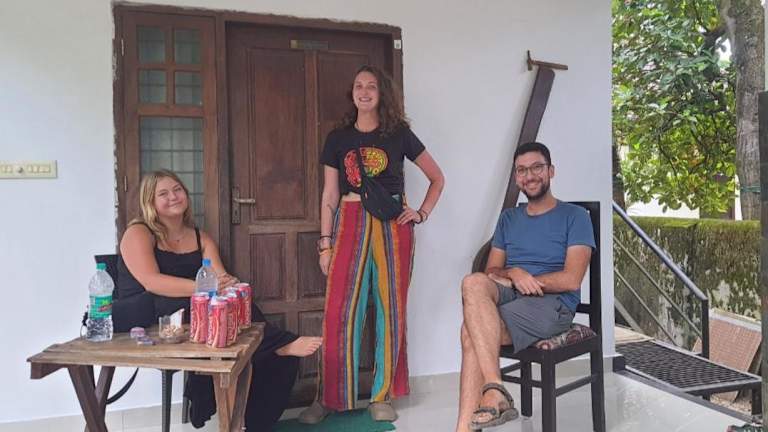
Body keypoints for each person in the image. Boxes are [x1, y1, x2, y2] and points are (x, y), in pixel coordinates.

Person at [112, 169, 322, 431]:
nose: (173, 197)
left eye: (177, 189)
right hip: (153, 313)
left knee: (242, 308)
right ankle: (279, 343)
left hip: (196, 310)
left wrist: (229, 285)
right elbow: (151, 281)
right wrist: (204, 287)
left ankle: (251, 420)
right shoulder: (139, 232)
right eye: (163, 194)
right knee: (207, 312)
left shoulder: (199, 236)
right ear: (150, 202)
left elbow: (219, 277)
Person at [298, 65, 445, 424]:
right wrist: (324, 243)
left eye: (372, 87)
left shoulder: (400, 134)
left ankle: (382, 395)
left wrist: (421, 213)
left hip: (394, 224)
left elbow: (437, 178)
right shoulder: (337, 138)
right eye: (358, 86)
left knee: (390, 308)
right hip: (349, 221)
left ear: (382, 94)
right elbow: (330, 194)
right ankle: (329, 397)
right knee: (339, 309)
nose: (364, 92)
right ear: (352, 93)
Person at [455, 142, 595, 431]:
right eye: (521, 170)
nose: (529, 176)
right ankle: (495, 389)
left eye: (536, 167)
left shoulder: (575, 216)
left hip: (553, 304)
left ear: (551, 171)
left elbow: (571, 279)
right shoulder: (509, 218)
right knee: (473, 281)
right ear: (516, 177)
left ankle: (466, 425)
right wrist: (513, 273)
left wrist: (529, 280)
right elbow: (491, 272)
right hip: (512, 295)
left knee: (470, 332)